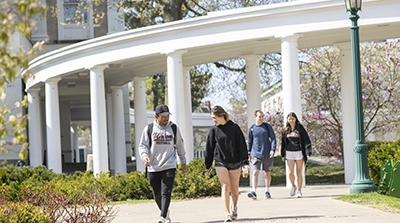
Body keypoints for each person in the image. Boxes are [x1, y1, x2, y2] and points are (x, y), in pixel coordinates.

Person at [138, 104, 187, 223]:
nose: (166, 118)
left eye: (167, 116)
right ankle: (165, 212)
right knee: (157, 194)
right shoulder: (149, 129)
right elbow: (143, 146)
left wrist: (183, 162)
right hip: (153, 167)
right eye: (163, 116)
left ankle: (162, 217)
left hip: (169, 165)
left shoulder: (174, 128)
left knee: (166, 191)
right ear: (156, 116)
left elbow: (180, 146)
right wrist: (144, 157)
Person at [205, 105, 249, 222]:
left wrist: (245, 162)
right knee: (225, 186)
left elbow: (241, 145)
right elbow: (209, 148)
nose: (213, 120)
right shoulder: (214, 130)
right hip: (220, 160)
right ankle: (227, 214)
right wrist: (208, 164)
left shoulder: (234, 128)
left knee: (234, 189)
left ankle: (234, 207)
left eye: (214, 118)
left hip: (235, 161)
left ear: (221, 116)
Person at [281, 112, 312, 198]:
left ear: (295, 119)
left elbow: (306, 140)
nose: (291, 120)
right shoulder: (285, 130)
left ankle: (299, 190)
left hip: (299, 152)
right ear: (287, 120)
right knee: (290, 172)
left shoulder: (300, 129)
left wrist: (308, 152)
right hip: (289, 152)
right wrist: (282, 154)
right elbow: (283, 143)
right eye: (289, 119)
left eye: (293, 119)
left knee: (299, 172)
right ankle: (293, 186)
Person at [247, 110, 276, 199]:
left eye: (262, 116)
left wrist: (272, 149)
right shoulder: (252, 128)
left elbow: (273, 138)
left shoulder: (267, 127)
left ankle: (267, 191)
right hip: (256, 154)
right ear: (255, 117)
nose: (261, 118)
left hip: (267, 153)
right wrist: (248, 152)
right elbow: (250, 141)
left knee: (267, 173)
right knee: (255, 172)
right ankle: (254, 191)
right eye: (260, 116)